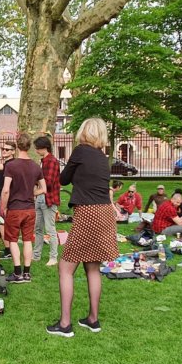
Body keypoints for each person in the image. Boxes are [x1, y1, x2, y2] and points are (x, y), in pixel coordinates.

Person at [47, 117, 118, 337]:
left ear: (84, 133)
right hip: (105, 212)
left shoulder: (80, 151)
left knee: (65, 268)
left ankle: (65, 325)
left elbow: (63, 179)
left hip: (88, 212)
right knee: (92, 267)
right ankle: (93, 320)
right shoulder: (102, 157)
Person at [1, 134, 46, 283]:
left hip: (15, 208)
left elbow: (5, 190)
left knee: (12, 240)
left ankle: (17, 273)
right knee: (27, 240)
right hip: (30, 209)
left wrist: (3, 207)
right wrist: (31, 193)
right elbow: (44, 189)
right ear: (29, 146)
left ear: (17, 146)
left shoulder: (11, 166)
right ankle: (26, 274)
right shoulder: (35, 166)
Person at [33, 135, 61, 266]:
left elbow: (48, 182)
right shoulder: (43, 161)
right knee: (38, 229)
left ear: (45, 147)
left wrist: (36, 185)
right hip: (40, 198)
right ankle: (36, 255)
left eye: (38, 148)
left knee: (50, 230)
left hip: (49, 199)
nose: (36, 150)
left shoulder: (52, 161)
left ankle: (53, 257)